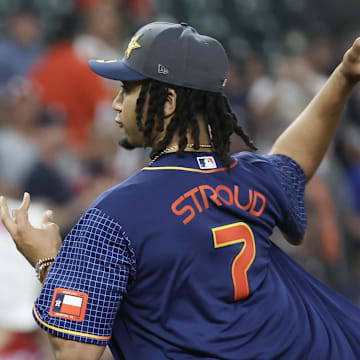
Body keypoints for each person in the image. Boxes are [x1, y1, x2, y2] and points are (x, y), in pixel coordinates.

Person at [1, 21, 360, 360]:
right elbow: (294, 160)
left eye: (127, 89)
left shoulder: (115, 215)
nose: (115, 102)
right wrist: (343, 77)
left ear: (168, 103)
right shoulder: (252, 179)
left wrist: (48, 261)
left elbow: (75, 351)